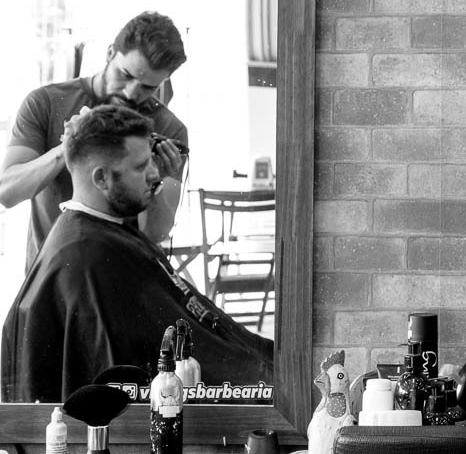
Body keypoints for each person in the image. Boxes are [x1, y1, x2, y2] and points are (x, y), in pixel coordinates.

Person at [1, 104, 273, 403]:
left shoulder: (105, 232)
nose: (155, 174)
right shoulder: (86, 259)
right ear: (101, 179)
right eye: (141, 167)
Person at [0, 11, 189, 270]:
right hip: (52, 277)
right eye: (126, 75)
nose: (131, 93)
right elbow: (7, 193)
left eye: (148, 87)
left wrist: (154, 183)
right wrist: (66, 148)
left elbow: (156, 234)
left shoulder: (169, 128)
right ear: (110, 53)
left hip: (122, 277)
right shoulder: (45, 103)